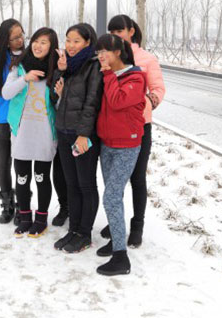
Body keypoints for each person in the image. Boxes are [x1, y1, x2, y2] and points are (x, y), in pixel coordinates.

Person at [100, 14, 166, 248]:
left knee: (137, 178)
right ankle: (114, 222)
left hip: (139, 127)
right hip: (111, 129)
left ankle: (137, 225)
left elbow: (158, 89)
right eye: (112, 32)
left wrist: (140, 105)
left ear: (131, 32)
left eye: (119, 31)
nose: (116, 35)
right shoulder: (106, 56)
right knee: (112, 183)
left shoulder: (146, 59)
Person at [93, 34, 147, 276]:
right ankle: (116, 239)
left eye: (106, 50)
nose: (101, 55)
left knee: (111, 197)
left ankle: (121, 258)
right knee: (113, 196)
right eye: (99, 51)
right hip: (107, 143)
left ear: (119, 52)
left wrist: (107, 75)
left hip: (127, 145)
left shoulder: (136, 77)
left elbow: (116, 101)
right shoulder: (108, 75)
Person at [1, 27, 60, 238]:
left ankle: (41, 219)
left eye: (44, 42)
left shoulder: (56, 70)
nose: (38, 45)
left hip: (44, 133)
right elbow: (6, 93)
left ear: (52, 47)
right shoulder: (18, 67)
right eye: (36, 40)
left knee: (42, 177)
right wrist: (25, 79)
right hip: (22, 132)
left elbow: (61, 103)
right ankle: (25, 217)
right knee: (22, 177)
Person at [51, 23, 103, 254]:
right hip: (63, 130)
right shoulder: (68, 66)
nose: (70, 46)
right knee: (71, 184)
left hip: (82, 136)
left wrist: (83, 134)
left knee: (86, 184)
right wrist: (60, 70)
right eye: (68, 40)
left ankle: (84, 233)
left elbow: (92, 103)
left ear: (88, 42)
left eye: (76, 41)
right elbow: (55, 95)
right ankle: (74, 229)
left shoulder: (93, 66)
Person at [0, 19, 25, 224]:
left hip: (23, 119)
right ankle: (7, 204)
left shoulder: (29, 56)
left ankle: (22, 205)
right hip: (1, 118)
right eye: (15, 38)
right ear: (5, 41)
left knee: (21, 164)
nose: (20, 40)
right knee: (4, 163)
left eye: (21, 35)